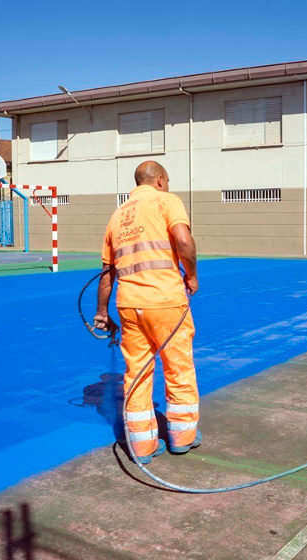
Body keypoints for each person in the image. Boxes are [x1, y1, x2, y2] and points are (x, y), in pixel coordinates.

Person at [94, 161, 201, 464]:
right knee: (177, 368)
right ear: (159, 180)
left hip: (129, 304)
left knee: (137, 374)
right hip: (165, 301)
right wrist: (191, 275)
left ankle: (142, 447)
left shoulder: (117, 217)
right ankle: (182, 437)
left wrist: (102, 311)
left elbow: (106, 273)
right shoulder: (167, 201)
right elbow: (182, 239)